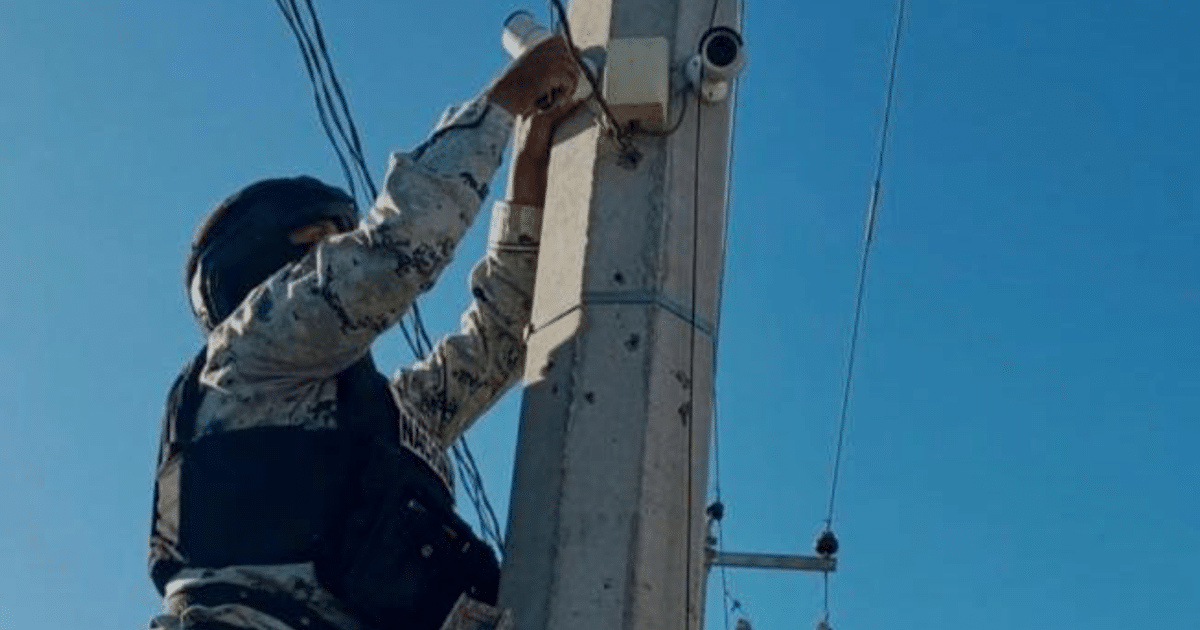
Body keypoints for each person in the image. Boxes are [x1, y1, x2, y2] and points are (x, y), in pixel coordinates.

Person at [147, 37, 581, 630]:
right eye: (323, 241)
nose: (340, 253)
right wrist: (504, 103)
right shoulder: (246, 360)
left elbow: (501, 338)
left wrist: (529, 173)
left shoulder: (381, 419)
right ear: (260, 265)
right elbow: (396, 249)